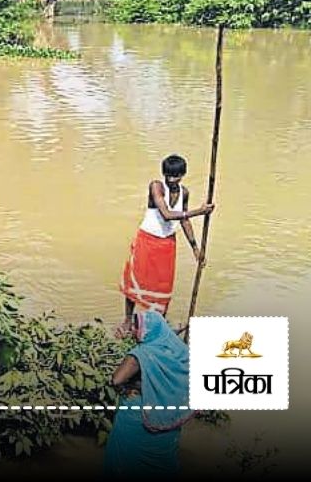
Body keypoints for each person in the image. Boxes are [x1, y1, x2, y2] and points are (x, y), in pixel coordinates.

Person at [119, 155, 215, 334]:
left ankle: (158, 326)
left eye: (176, 176)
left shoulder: (184, 192)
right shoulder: (156, 186)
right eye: (169, 175)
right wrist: (199, 211)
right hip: (147, 239)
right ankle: (127, 321)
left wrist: (195, 248)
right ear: (164, 174)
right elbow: (166, 214)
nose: (171, 180)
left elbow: (184, 222)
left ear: (183, 175)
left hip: (167, 244)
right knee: (134, 283)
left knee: (164, 286)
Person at [104, 311, 194, 476]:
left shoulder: (141, 354)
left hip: (139, 414)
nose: (134, 329)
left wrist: (126, 387)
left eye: (137, 326)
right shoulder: (177, 348)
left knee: (127, 460)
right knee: (161, 460)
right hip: (169, 411)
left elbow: (116, 379)